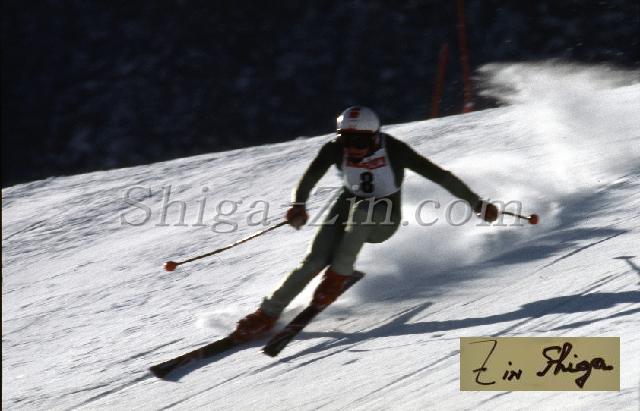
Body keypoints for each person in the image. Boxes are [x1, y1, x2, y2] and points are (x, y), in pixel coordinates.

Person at [231, 106, 498, 342]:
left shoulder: (394, 150)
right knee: (314, 260)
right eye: (346, 139)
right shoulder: (335, 149)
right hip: (348, 203)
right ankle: (267, 314)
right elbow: (310, 177)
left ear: (373, 137)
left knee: (361, 212)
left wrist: (476, 203)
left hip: (384, 215)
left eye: (358, 140)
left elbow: (441, 176)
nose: (351, 147)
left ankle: (338, 275)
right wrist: (298, 204)